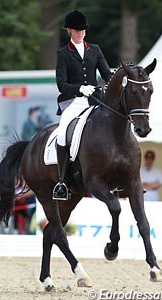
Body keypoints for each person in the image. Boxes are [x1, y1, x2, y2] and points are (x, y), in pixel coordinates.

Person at [53, 10, 112, 200]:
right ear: (69, 30)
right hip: (75, 101)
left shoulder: (95, 49)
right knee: (62, 134)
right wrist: (79, 89)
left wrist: (120, 81)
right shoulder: (63, 53)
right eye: (77, 30)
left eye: (83, 30)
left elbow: (106, 74)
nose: (81, 33)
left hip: (96, 99)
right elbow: (61, 84)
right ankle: (62, 182)